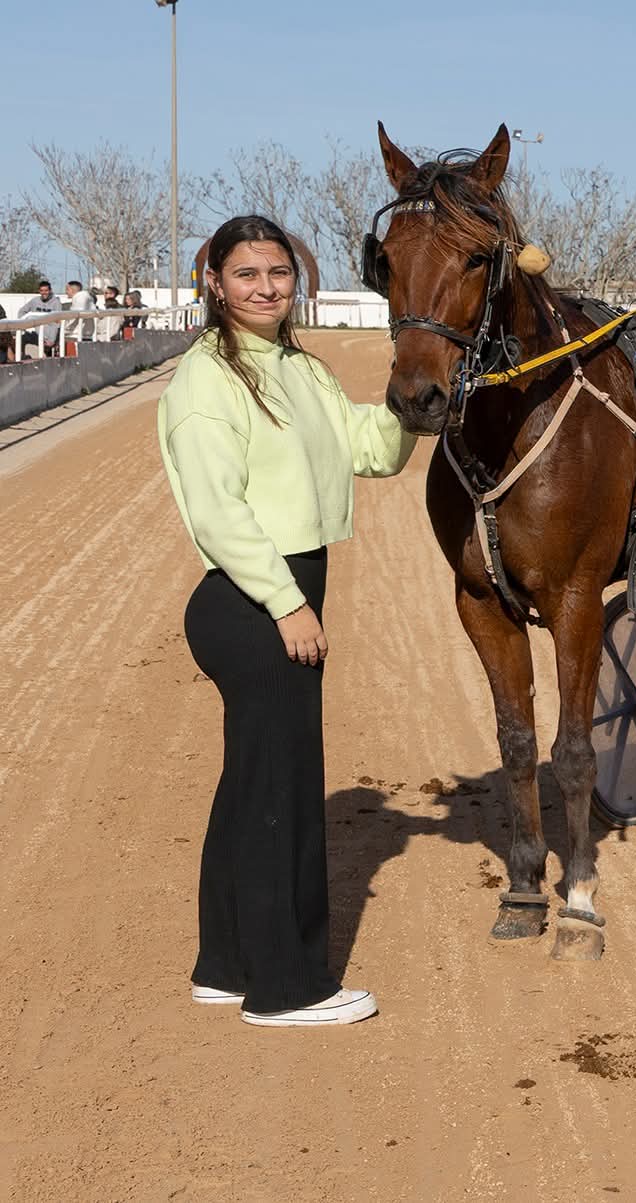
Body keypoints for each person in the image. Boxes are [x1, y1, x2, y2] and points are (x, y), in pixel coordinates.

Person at [157, 215, 416, 1026]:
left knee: (250, 786)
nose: (266, 287)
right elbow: (218, 512)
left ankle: (225, 963)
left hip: (276, 589)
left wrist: (413, 397)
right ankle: (287, 988)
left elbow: (367, 447)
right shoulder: (206, 382)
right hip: (252, 597)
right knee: (285, 792)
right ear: (214, 284)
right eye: (246, 274)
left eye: (278, 272)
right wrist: (288, 603)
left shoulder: (297, 367)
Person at [16, 281, 59, 358]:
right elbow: (22, 311)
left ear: (50, 290)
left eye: (46, 290)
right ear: (39, 291)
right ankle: (21, 358)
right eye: (41, 291)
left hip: (49, 335)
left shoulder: (56, 303)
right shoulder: (35, 301)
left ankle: (47, 354)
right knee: (21, 338)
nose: (44, 293)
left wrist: (52, 340)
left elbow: (56, 322)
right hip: (37, 333)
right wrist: (24, 324)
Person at [63, 279, 96, 346]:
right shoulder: (88, 298)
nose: (66, 292)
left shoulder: (80, 297)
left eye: (67, 289)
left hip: (75, 336)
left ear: (71, 289)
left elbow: (75, 315)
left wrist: (65, 328)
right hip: (85, 335)